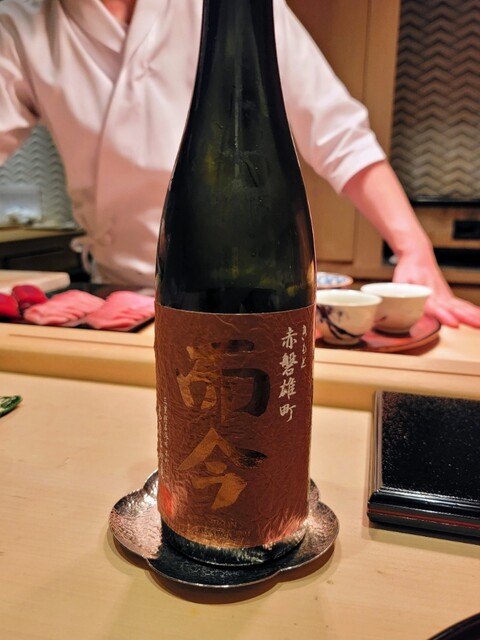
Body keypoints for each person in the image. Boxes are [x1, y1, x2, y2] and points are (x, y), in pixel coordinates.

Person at [0, 0, 479, 328]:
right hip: (121, 294)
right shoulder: (24, 24)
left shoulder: (237, 7)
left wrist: (413, 247)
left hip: (247, 295)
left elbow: (338, 132)